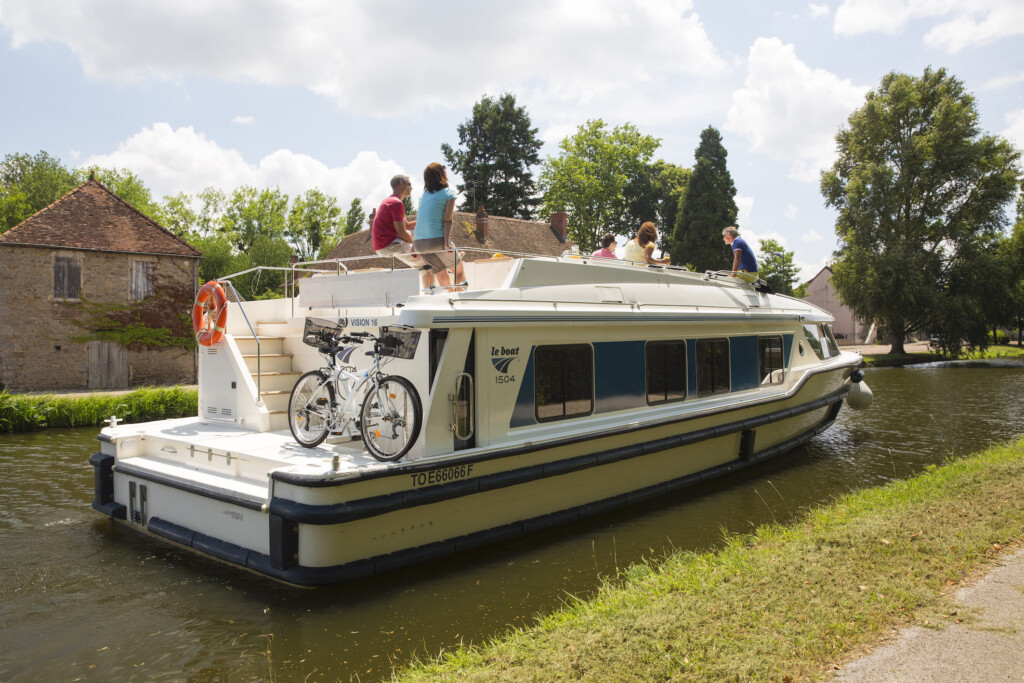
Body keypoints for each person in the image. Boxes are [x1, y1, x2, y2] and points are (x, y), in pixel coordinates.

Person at [371, 174, 433, 288]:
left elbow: (408, 226)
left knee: (420, 231)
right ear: (401, 184)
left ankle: (433, 253)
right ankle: (429, 295)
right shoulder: (396, 204)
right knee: (429, 264)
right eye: (409, 184)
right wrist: (414, 245)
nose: (412, 188)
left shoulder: (389, 201)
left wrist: (426, 220)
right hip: (388, 245)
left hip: (385, 245)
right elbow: (402, 232)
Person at [414, 162, 466, 290]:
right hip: (436, 241)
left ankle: (448, 301)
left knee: (441, 275)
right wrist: (447, 243)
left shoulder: (423, 195)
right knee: (459, 271)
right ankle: (460, 302)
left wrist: (413, 248)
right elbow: (447, 220)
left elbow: (421, 219)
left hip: (419, 245)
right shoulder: (449, 193)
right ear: (442, 175)